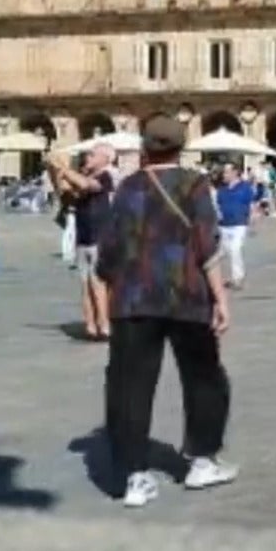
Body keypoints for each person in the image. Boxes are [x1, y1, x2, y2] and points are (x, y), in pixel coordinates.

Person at [96, 116, 236, 508]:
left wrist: (111, 281)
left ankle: (135, 474)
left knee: (129, 384)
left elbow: (108, 250)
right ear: (181, 145)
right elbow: (207, 245)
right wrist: (221, 298)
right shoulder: (195, 184)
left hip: (134, 299)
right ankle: (202, 460)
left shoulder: (126, 187)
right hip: (187, 295)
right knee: (204, 377)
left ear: (145, 147)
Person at [52, 145, 118, 341]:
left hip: (102, 235)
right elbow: (67, 195)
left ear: (106, 158)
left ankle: (104, 325)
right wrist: (56, 172)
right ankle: (91, 325)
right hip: (84, 236)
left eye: (92, 154)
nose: (87, 157)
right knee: (85, 283)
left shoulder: (107, 175)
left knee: (99, 282)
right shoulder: (83, 175)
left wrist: (64, 169)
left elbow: (87, 186)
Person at [213, 161, 258, 290]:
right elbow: (217, 206)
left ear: (235, 172)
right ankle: (209, 277)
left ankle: (237, 278)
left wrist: (253, 218)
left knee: (235, 249)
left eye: (226, 172)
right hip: (223, 225)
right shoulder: (222, 189)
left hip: (239, 224)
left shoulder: (245, 187)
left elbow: (252, 203)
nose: (224, 174)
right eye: (224, 172)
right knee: (219, 253)